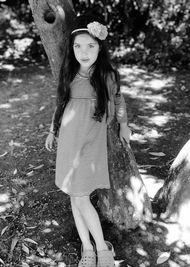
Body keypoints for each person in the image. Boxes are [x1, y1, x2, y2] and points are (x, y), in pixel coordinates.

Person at [45, 12, 130, 267]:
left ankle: (102, 248)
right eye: (78, 46)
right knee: (76, 195)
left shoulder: (107, 75)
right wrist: (52, 130)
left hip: (91, 144)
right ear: (72, 49)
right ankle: (90, 248)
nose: (84, 52)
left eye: (90, 45)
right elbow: (60, 104)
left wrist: (124, 125)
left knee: (80, 195)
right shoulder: (69, 73)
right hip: (69, 142)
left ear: (100, 46)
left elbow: (118, 100)